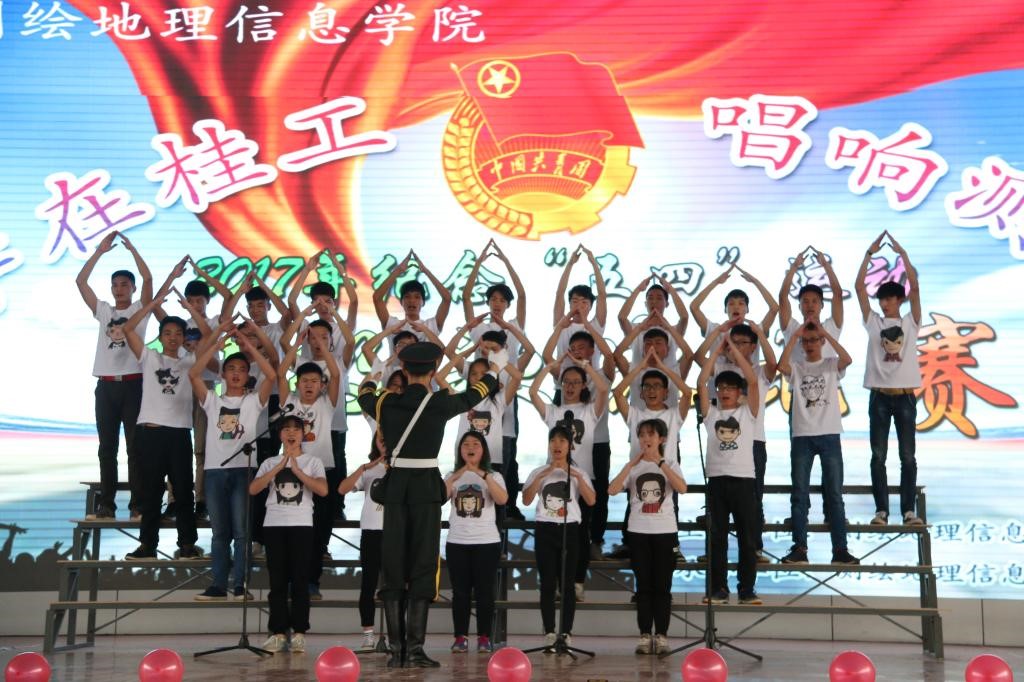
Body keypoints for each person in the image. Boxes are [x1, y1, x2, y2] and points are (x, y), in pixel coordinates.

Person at [356, 341, 500, 668]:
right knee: (423, 565)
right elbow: (476, 393)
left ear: (404, 370)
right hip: (425, 489)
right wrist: (494, 368)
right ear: (434, 371)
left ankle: (396, 652)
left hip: (396, 489)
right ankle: (415, 650)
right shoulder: (440, 402)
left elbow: (364, 393)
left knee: (393, 565)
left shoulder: (386, 402)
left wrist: (376, 370)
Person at [122, 259, 211, 560]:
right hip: (150, 433)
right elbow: (128, 328)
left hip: (179, 434)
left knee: (184, 490)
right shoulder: (149, 357)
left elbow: (208, 336)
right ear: (160, 336)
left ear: (184, 337)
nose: (173, 337)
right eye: (168, 333)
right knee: (150, 492)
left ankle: (186, 544)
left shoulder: (189, 361)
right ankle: (147, 545)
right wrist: (153, 304)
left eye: (178, 333)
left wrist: (189, 309)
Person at [189, 327, 275, 600]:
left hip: (243, 470)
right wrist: (214, 348)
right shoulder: (213, 401)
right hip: (215, 471)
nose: (236, 373)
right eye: (231, 369)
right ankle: (218, 585)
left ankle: (240, 585)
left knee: (241, 532)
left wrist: (250, 349)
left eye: (242, 369)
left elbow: (272, 376)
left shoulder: (253, 401)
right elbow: (193, 374)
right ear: (223, 375)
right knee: (219, 533)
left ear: (248, 375)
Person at [75, 231, 153, 519]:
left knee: (136, 448)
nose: (119, 289)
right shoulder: (104, 311)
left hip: (134, 385)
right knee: (106, 448)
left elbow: (149, 280)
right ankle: (106, 505)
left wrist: (133, 250)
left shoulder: (139, 310)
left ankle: (137, 506)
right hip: (106, 387)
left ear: (132, 288)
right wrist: (99, 251)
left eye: (124, 285)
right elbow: (81, 282)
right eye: (115, 285)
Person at [855, 232, 924, 526]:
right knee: (878, 456)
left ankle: (908, 511)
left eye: (890, 299)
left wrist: (902, 254)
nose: (885, 303)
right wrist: (869, 254)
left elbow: (916, 288)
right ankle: (881, 511)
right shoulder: (874, 323)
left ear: (899, 300)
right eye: (882, 299)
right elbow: (858, 288)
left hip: (905, 396)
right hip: (880, 397)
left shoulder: (910, 322)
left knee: (907, 456)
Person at [694, 319, 777, 562]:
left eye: (742, 343)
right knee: (716, 506)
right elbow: (698, 360)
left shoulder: (758, 371)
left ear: (753, 346)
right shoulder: (720, 366)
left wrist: (759, 333)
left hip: (754, 440)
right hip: (721, 441)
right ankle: (713, 552)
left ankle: (755, 549)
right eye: (733, 343)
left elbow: (773, 364)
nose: (736, 347)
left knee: (754, 499)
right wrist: (719, 341)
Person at [777, 320, 860, 565]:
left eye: (815, 339)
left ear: (822, 341)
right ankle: (800, 549)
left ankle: (840, 550)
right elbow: (780, 366)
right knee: (799, 494)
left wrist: (826, 334)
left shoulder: (830, 364)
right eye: (806, 341)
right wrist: (794, 337)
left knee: (834, 494)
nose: (810, 344)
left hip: (829, 434)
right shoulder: (797, 366)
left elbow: (848, 359)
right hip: (802, 435)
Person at [529, 352, 609, 602]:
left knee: (580, 535)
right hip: (555, 479)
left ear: (584, 385)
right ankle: (554, 583)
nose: (571, 386)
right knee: (553, 537)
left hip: (582, 480)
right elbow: (532, 392)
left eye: (576, 382)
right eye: (566, 382)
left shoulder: (589, 410)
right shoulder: (554, 412)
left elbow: (603, 390)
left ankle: (577, 583)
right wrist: (550, 367)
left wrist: (585, 365)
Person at [249, 414, 328, 653]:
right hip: (274, 525)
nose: (291, 433)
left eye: (296, 429)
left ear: (303, 434)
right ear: (280, 434)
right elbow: (253, 489)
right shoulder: (269, 462)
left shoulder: (313, 462)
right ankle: (278, 633)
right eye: (286, 429)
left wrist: (297, 470)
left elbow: (323, 490)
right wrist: (279, 466)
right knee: (278, 581)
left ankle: (300, 633)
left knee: (300, 580)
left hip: (302, 525)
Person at [462, 239, 529, 518]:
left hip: (506, 399)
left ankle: (508, 506)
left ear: (508, 304)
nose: (497, 304)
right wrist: (479, 261)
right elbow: (466, 297)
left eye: (502, 300)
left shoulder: (513, 327)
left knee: (507, 456)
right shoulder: (480, 330)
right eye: (493, 300)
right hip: (479, 400)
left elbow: (522, 296)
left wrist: (505, 260)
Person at [608, 419, 687, 655]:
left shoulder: (670, 463)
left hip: (665, 532)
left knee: (662, 586)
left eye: (650, 435)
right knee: (643, 586)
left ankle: (661, 635)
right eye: (642, 435)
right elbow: (612, 489)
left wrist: (660, 463)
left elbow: (682, 488)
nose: (645, 439)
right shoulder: (634, 466)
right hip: (638, 533)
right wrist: (632, 463)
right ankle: (644, 635)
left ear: (661, 439)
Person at [695, 335, 762, 604]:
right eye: (721, 387)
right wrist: (716, 352)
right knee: (717, 539)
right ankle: (718, 589)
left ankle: (747, 590)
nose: (724, 391)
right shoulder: (711, 413)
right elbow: (701, 382)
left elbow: (753, 381)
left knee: (747, 539)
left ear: (739, 393)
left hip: (744, 481)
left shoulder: (748, 413)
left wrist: (733, 348)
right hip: (717, 481)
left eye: (730, 388)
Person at [278, 321, 342, 601]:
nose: (309, 385)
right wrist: (298, 343)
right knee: (294, 533)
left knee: (318, 533)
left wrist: (319, 339)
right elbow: (280, 373)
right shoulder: (290, 402)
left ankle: (312, 583)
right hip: (291, 472)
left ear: (322, 385)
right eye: (304, 380)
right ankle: (291, 582)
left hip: (322, 472)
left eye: (315, 381)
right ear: (298, 383)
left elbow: (336, 373)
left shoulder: (326, 403)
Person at [522, 426, 596, 652]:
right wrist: (543, 475)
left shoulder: (578, 472)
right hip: (545, 529)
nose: (557, 445)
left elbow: (591, 500)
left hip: (569, 530)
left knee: (567, 585)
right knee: (547, 583)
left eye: (562, 441)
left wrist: (576, 476)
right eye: (553, 440)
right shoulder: (538, 471)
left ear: (570, 446)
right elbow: (526, 500)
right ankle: (549, 632)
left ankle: (566, 633)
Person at [444, 431, 508, 654]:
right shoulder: (452, 475)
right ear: (460, 450)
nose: (470, 448)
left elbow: (502, 499)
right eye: (466, 445)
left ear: (483, 450)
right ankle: (460, 637)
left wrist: (482, 474)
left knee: (484, 592)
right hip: (457, 541)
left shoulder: (494, 475)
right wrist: (459, 473)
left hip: (487, 542)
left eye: (475, 444)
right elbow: (439, 497)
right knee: (460, 593)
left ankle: (484, 637)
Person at [338, 449, 388, 652]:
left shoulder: (403, 467)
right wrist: (363, 468)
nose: (385, 443)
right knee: (368, 584)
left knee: (396, 585)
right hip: (371, 532)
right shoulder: (369, 470)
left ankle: (397, 634)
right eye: (381, 439)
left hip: (395, 533)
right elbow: (342, 488)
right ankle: (368, 635)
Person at [373, 250, 452, 348]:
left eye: (417, 297)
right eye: (407, 297)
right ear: (401, 302)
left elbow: (447, 298)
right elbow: (377, 298)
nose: (412, 300)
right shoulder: (393, 325)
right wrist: (398, 270)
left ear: (423, 302)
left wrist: (426, 271)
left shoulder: (430, 325)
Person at [691, 263, 778, 344]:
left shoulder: (755, 331)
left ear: (747, 309)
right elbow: (694, 307)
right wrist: (716, 282)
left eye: (741, 303)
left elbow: (774, 308)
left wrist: (755, 281)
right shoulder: (715, 330)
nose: (736, 307)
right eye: (731, 304)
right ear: (725, 309)